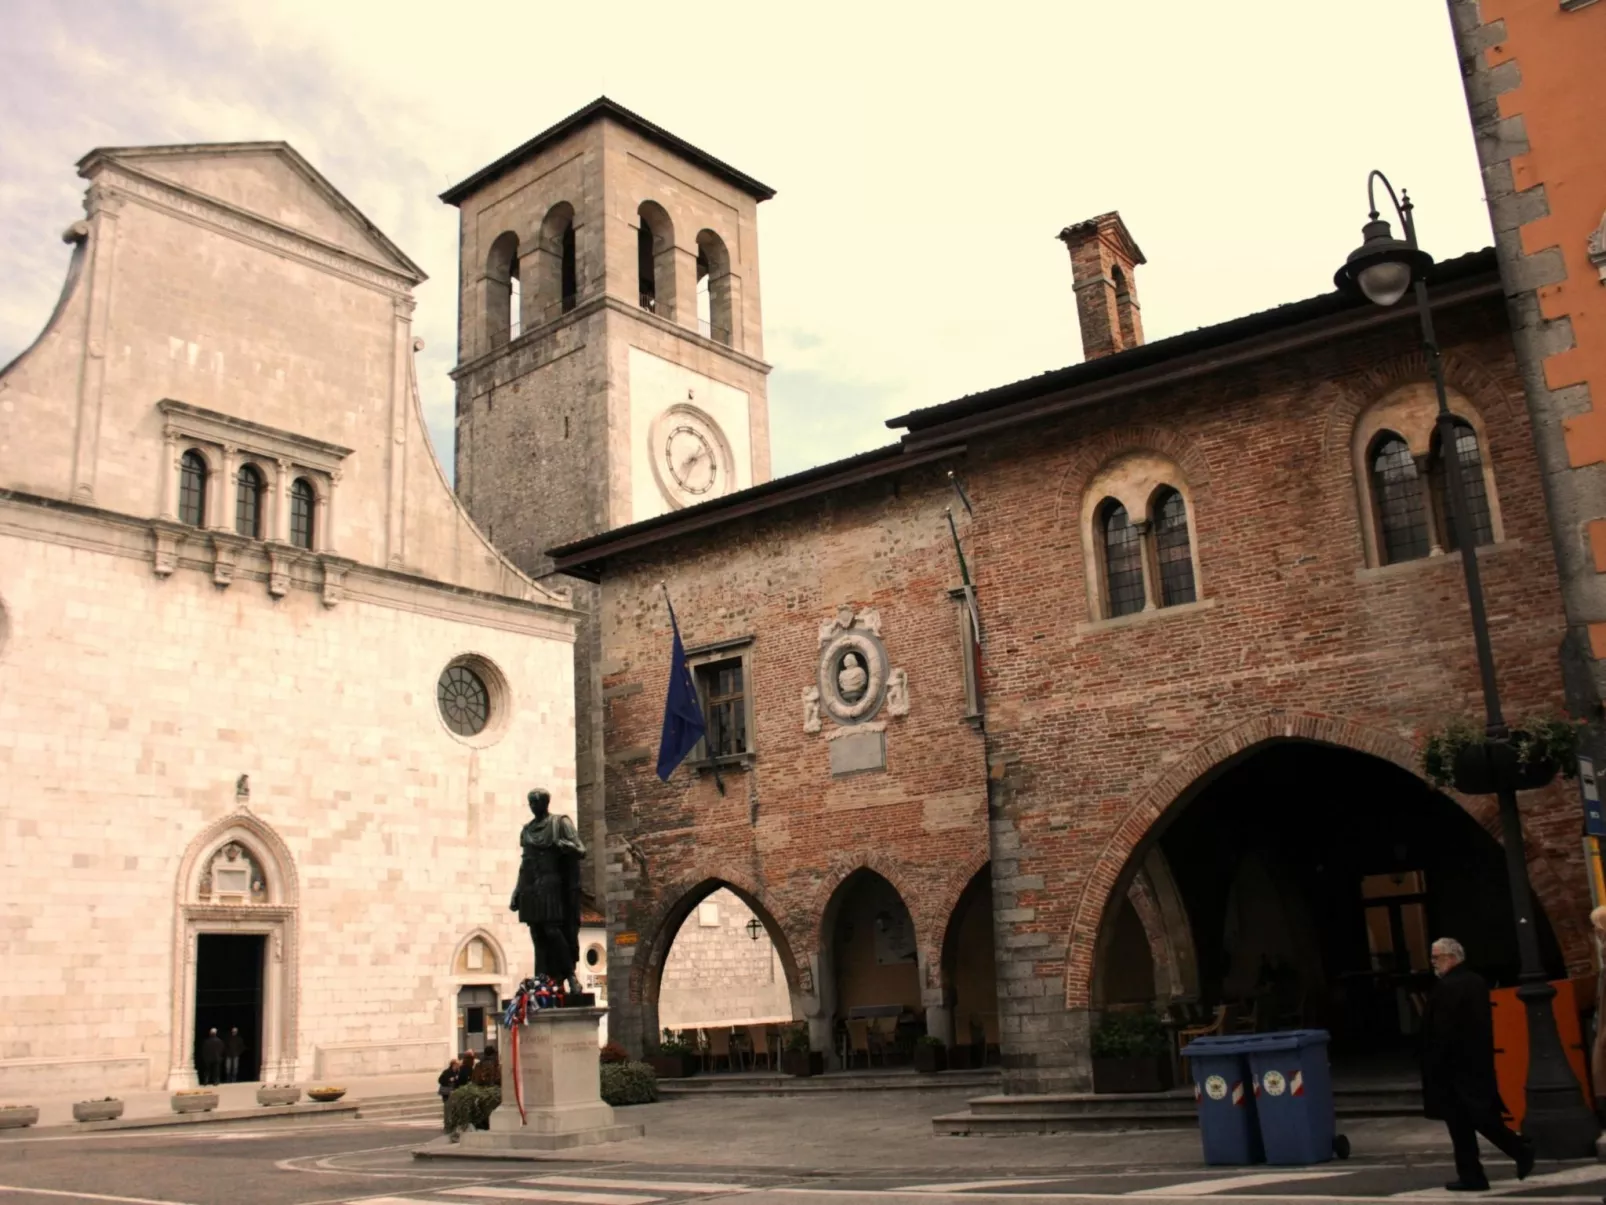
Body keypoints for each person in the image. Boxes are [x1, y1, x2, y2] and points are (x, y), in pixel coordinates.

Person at [1421, 937, 1535, 1191]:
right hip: (1474, 1063)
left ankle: (1514, 1152)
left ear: (1451, 958)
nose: (1433, 962)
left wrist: (1435, 1063)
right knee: (1468, 1120)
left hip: (1453, 1067)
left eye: (1436, 957)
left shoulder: (1449, 986)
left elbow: (1442, 1031)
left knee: (1470, 1120)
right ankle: (1474, 1174)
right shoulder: (1474, 981)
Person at [508, 788, 586, 993]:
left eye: (536, 802)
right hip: (530, 888)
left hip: (552, 885)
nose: (533, 806)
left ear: (545, 803)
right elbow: (525, 864)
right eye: (530, 803)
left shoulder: (560, 823)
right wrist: (517, 890)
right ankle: (542, 980)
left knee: (552, 930)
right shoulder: (527, 830)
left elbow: (581, 850)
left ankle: (570, 975)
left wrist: (566, 846)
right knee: (537, 934)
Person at [437, 1057, 460, 1130]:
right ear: (453, 1065)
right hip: (447, 1093)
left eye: (458, 1065)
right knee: (447, 1108)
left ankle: (453, 1124)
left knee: (454, 1109)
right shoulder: (446, 1072)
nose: (457, 1066)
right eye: (456, 1065)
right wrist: (449, 1080)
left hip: (454, 1092)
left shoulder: (458, 1072)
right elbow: (440, 1080)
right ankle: (447, 1124)